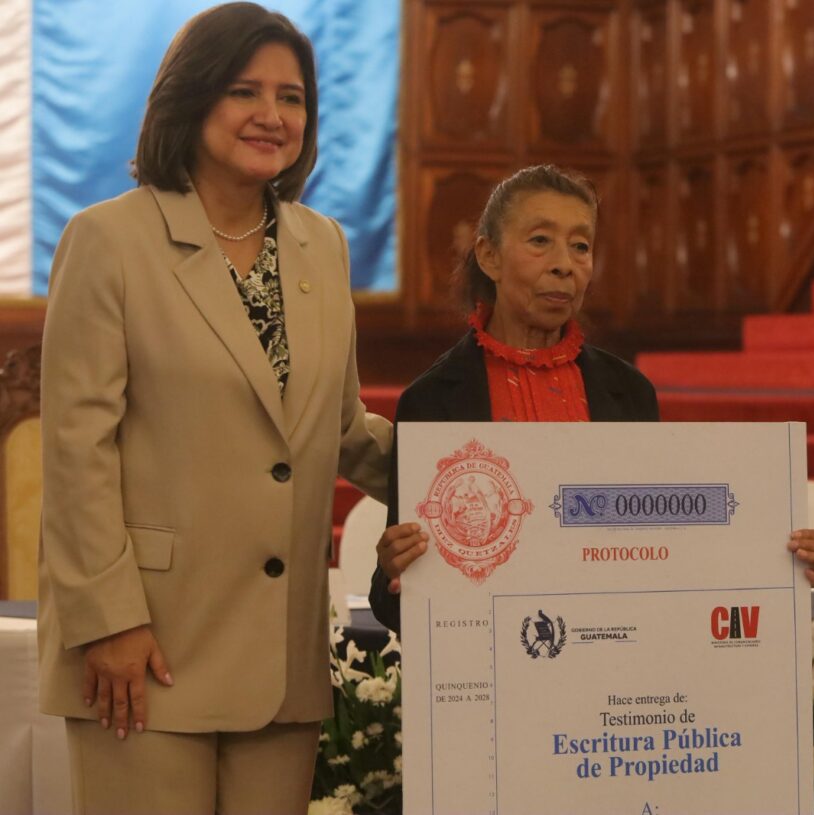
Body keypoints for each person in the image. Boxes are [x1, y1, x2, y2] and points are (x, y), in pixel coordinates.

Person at [38, 4, 392, 813]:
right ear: (190, 98)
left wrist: (478, 472)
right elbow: (76, 452)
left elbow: (339, 428)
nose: (273, 115)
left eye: (292, 97)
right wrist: (108, 621)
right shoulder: (108, 239)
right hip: (147, 648)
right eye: (244, 91)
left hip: (280, 659)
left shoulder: (324, 244)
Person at [369, 164, 814, 633]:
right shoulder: (432, 402)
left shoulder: (628, 393)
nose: (564, 264)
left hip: (611, 658)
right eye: (540, 240)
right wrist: (394, 572)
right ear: (489, 256)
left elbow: (667, 548)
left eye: (581, 246)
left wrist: (777, 560)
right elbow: (396, 607)